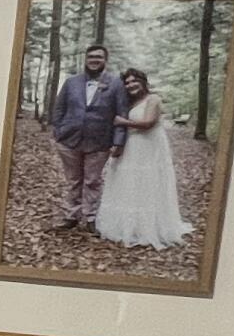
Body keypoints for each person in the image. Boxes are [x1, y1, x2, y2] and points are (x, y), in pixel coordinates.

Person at [94, 67, 193, 248]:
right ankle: (128, 226)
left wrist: (122, 121)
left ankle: (149, 228)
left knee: (147, 182)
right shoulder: (129, 102)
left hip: (149, 147)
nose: (131, 85)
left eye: (135, 81)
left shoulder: (153, 99)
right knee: (128, 182)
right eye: (128, 82)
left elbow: (148, 123)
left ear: (143, 82)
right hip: (131, 146)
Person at [48, 43, 128, 227]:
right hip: (69, 140)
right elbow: (59, 109)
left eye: (98, 57)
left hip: (99, 142)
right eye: (91, 57)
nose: (94, 61)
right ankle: (71, 216)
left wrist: (118, 141)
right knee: (73, 180)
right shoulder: (71, 82)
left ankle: (91, 217)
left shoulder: (116, 84)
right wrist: (58, 132)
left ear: (105, 61)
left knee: (92, 180)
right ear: (86, 59)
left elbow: (121, 113)